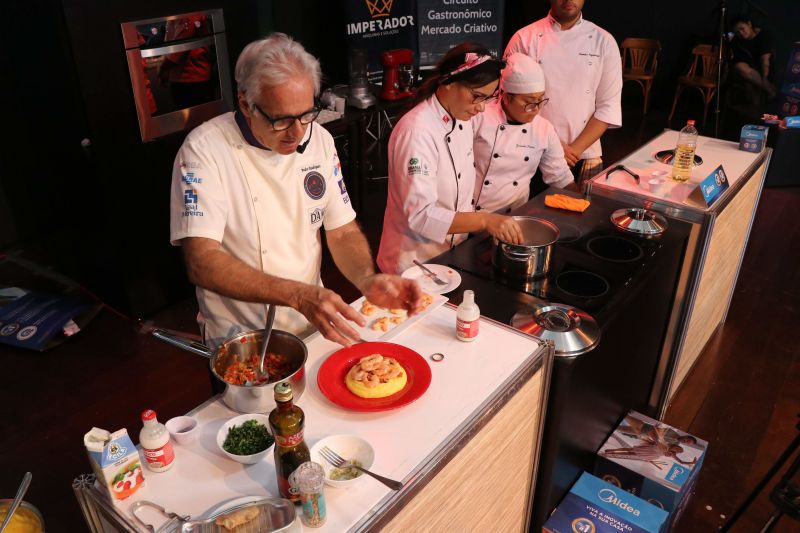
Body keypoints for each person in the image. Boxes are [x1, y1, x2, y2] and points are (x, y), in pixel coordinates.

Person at [170, 33, 422, 348]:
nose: (298, 133)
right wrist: (299, 294)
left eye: (306, 115)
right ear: (246, 103)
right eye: (282, 120)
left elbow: (341, 230)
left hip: (309, 322)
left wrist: (366, 278)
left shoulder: (319, 140)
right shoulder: (203, 151)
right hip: (241, 335)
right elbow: (202, 261)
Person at [377, 44, 524, 275]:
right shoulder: (417, 131)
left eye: (488, 97)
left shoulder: (462, 118)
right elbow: (420, 215)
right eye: (476, 96)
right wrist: (485, 220)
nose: (481, 108)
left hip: (450, 256)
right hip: (413, 263)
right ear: (447, 82)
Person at [505, 0, 622, 187]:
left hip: (581, 154)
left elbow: (608, 106)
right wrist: (554, 147)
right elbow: (509, 100)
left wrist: (570, 152)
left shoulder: (604, 41)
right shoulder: (524, 38)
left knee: (577, 210)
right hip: (530, 148)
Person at [472, 53, 574, 214]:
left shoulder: (544, 129)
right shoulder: (479, 117)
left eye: (540, 100)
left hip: (513, 217)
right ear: (505, 97)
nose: (536, 109)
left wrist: (582, 203)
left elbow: (560, 177)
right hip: (471, 215)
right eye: (528, 102)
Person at [729, 15, 776, 102]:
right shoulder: (737, 41)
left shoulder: (763, 35)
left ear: (749, 24)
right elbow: (736, 61)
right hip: (745, 72)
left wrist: (765, 78)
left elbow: (765, 59)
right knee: (740, 67)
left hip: (764, 70)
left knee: (750, 85)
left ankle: (757, 111)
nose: (741, 33)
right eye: (737, 32)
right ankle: (770, 90)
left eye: (742, 28)